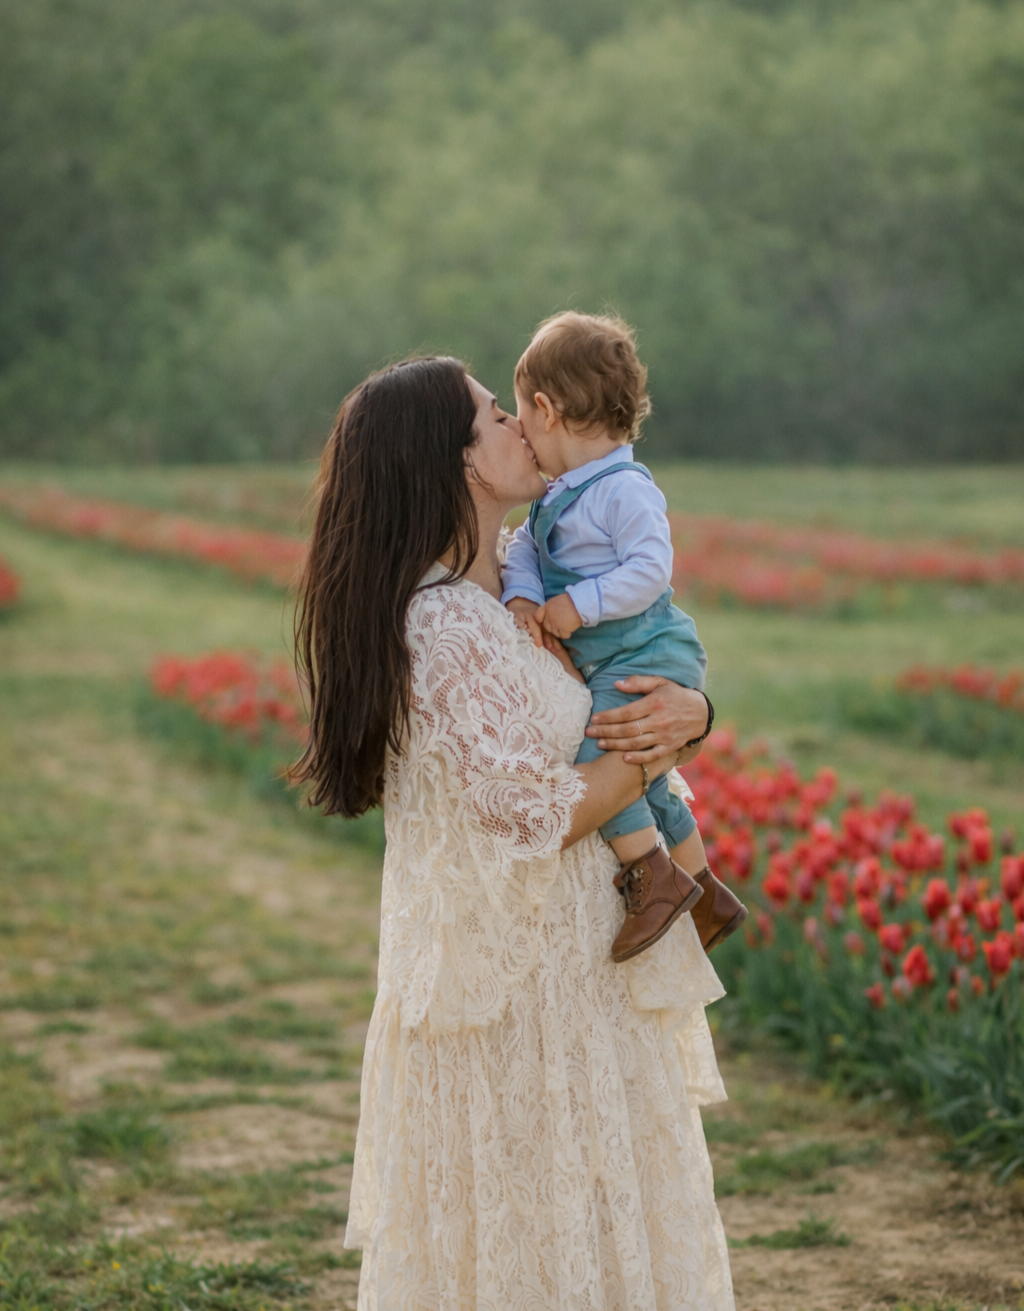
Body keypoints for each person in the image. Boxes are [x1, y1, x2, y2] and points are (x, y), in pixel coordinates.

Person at [292, 357, 735, 1310]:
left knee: (599, 1232)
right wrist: (666, 742)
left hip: (582, 981)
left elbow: (618, 693)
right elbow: (533, 813)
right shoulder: (443, 623)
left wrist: (691, 711)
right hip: (514, 998)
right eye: (497, 415)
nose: (522, 425)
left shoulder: (512, 596)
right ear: (456, 463)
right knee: (530, 1251)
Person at [503, 312, 747, 963]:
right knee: (651, 779)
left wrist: (576, 607)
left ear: (547, 410)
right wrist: (524, 595)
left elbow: (650, 570)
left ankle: (652, 876)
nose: (519, 433)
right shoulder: (563, 494)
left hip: (644, 649)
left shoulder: (623, 490)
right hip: (618, 652)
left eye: (520, 417)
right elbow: (529, 544)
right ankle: (706, 891)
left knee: (601, 755)